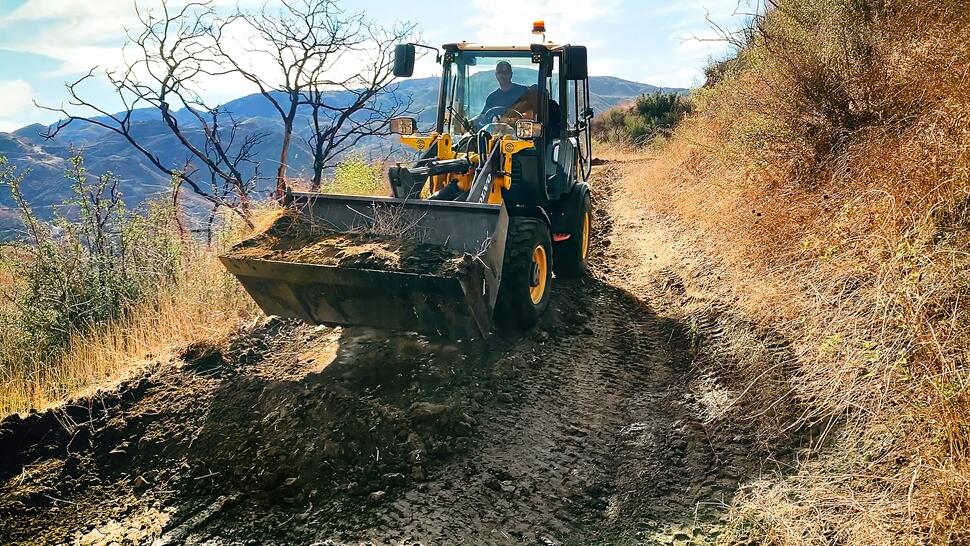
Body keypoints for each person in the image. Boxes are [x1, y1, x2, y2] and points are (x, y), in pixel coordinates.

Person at [475, 61, 527, 126]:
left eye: (505, 72)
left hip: (520, 131)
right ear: (496, 75)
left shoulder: (523, 92)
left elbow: (530, 114)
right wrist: (471, 123)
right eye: (499, 72)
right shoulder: (492, 98)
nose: (502, 75)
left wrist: (509, 120)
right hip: (497, 131)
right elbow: (483, 117)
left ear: (511, 74)